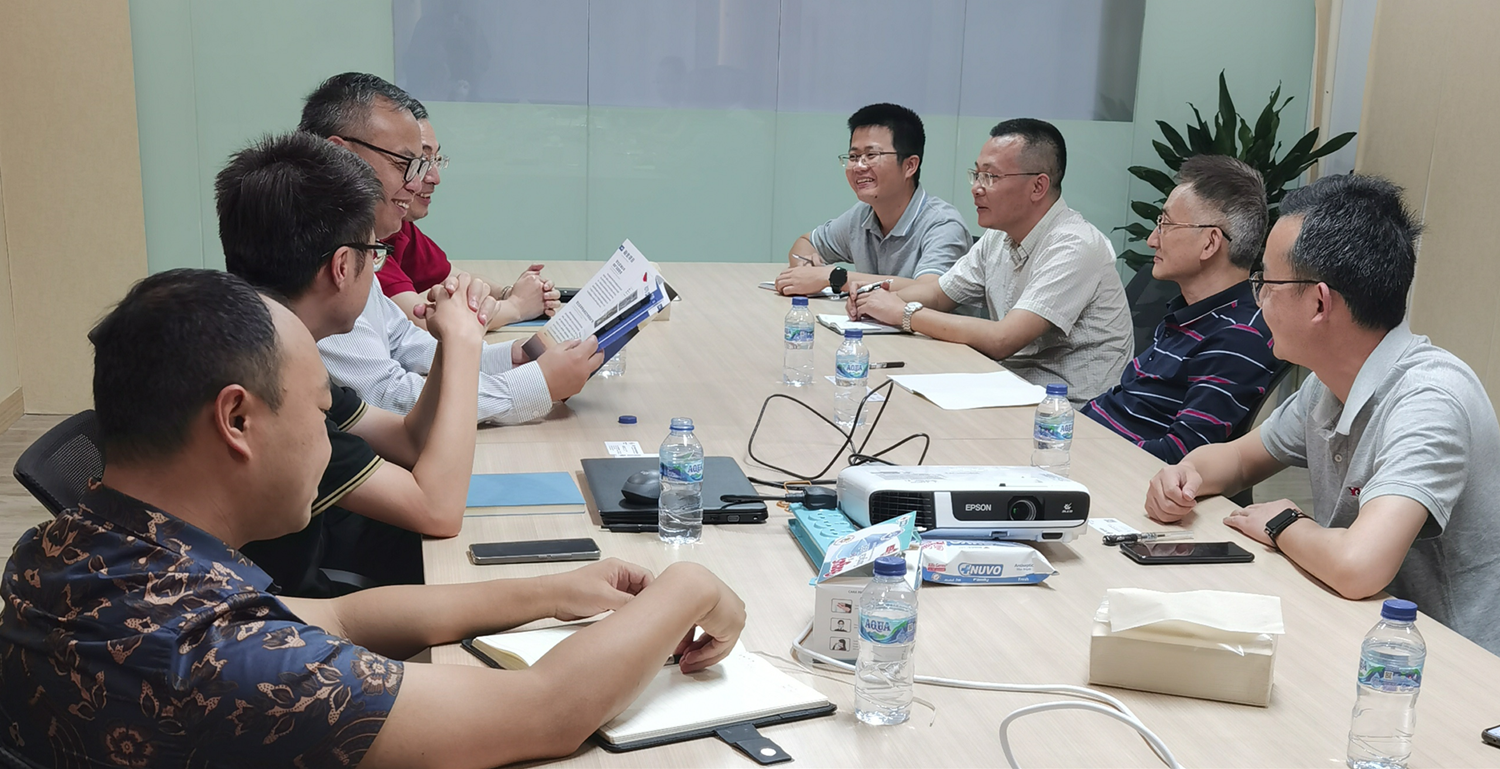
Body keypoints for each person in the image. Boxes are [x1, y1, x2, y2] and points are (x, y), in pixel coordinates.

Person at [0, 268, 746, 767]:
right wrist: (691, 587)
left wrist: (552, 591)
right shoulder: (233, 662)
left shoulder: (55, 552)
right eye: (321, 411)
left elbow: (340, 617)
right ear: (237, 419)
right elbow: (544, 711)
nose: (331, 440)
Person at [1144, 174, 1500, 654]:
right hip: (1360, 627)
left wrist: (1284, 523)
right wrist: (1185, 476)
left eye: (1266, 283)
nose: (1257, 300)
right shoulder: (1329, 381)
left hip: (1444, 661)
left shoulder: (1430, 400)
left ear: (1318, 302)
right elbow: (1241, 459)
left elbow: (1358, 566)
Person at [219, 130, 487, 597]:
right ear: (343, 266)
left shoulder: (260, 339)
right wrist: (466, 343)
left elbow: (408, 439)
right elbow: (439, 512)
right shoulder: (274, 388)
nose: (377, 269)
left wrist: (447, 344)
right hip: (282, 614)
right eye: (375, 253)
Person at [299, 72, 599, 424]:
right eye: (405, 164)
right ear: (341, 155)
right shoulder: (311, 257)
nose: (419, 183)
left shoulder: (351, 239)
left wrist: (513, 357)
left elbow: (404, 341)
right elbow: (388, 396)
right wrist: (537, 384)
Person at [848, 118, 1132, 403]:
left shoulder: (1074, 245)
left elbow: (1002, 340)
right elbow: (938, 294)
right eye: (976, 174)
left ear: (1038, 186)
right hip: (1009, 386)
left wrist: (903, 313)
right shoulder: (998, 237)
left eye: (991, 177)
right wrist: (873, 301)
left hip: (1067, 410)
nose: (976, 188)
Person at [1082, 155, 1281, 461]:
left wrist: (1081, 445)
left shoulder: (1238, 335)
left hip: (1115, 474)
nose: (1152, 240)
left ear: (1209, 243)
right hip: (1086, 452)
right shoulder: (1191, 315)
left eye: (1166, 225)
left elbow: (1180, 458)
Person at [381, 98, 564, 332]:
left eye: (434, 161)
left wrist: (509, 293)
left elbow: (452, 277)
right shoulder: (360, 234)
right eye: (417, 162)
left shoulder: (398, 225)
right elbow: (420, 324)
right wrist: (517, 306)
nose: (434, 178)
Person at [774, 103, 971, 297]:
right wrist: (806, 269)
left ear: (910, 166)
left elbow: (930, 291)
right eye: (853, 156)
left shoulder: (943, 225)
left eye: (871, 155)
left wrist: (833, 277)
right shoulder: (862, 215)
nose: (859, 166)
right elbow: (805, 242)